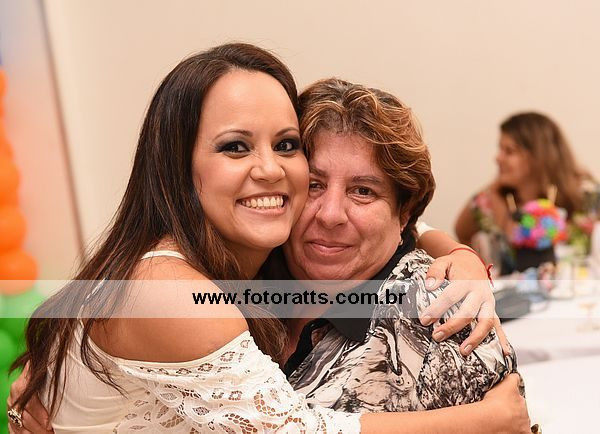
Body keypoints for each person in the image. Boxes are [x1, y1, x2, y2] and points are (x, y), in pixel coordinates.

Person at [7, 43, 529, 433]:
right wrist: (488, 420)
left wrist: (458, 253)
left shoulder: (427, 304)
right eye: (235, 147)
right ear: (178, 167)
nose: (270, 170)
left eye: (284, 145)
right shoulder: (175, 289)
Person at [258, 78, 517, 412]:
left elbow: (509, 421)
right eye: (313, 185)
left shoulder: (438, 314)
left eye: (363, 191)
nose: (330, 215)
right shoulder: (243, 271)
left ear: (404, 213)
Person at [455, 111, 599, 273]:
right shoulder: (487, 201)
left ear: (539, 155)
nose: (498, 158)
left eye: (509, 151)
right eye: (500, 149)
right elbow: (461, 234)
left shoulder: (587, 195)